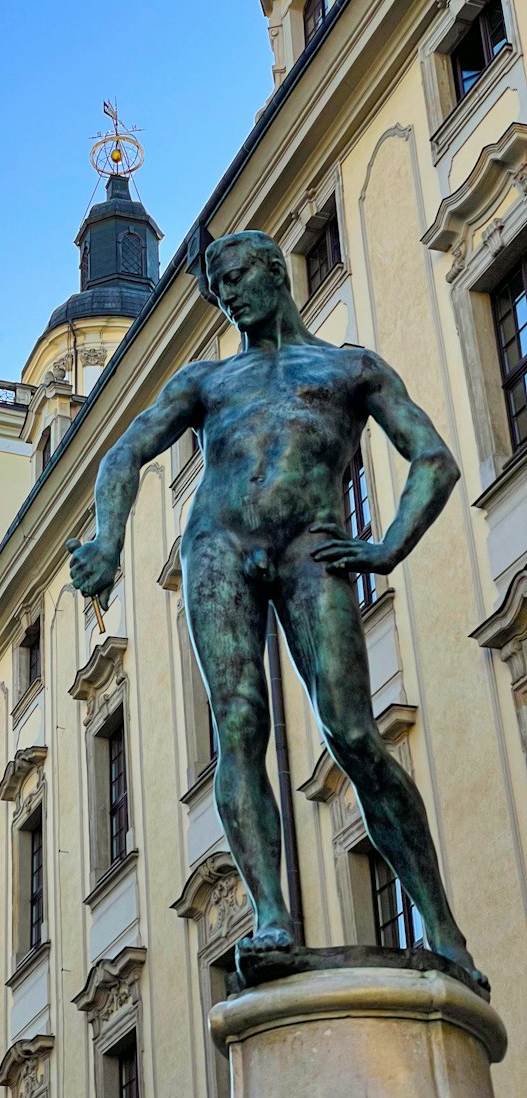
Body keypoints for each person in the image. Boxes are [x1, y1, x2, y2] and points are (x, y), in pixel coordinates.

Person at [68, 230, 483, 984]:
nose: (228, 297)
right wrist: (106, 538)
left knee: (354, 733)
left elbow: (434, 458)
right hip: (218, 544)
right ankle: (271, 916)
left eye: (236, 280)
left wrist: (388, 543)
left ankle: (445, 929)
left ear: (273, 274)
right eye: (218, 286)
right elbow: (123, 451)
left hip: (310, 546)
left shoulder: (348, 367)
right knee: (239, 726)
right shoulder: (208, 382)